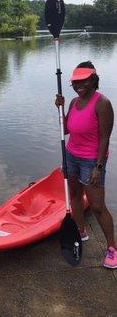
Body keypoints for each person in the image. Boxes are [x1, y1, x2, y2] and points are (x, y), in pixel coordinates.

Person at [55, 61, 116, 268]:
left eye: (83, 81)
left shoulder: (103, 103)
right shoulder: (73, 102)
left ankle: (112, 249)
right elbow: (66, 129)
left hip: (92, 160)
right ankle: (81, 231)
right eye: (75, 82)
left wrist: (99, 167)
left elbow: (105, 139)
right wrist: (60, 108)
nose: (79, 85)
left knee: (98, 206)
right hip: (71, 155)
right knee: (75, 196)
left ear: (93, 80)